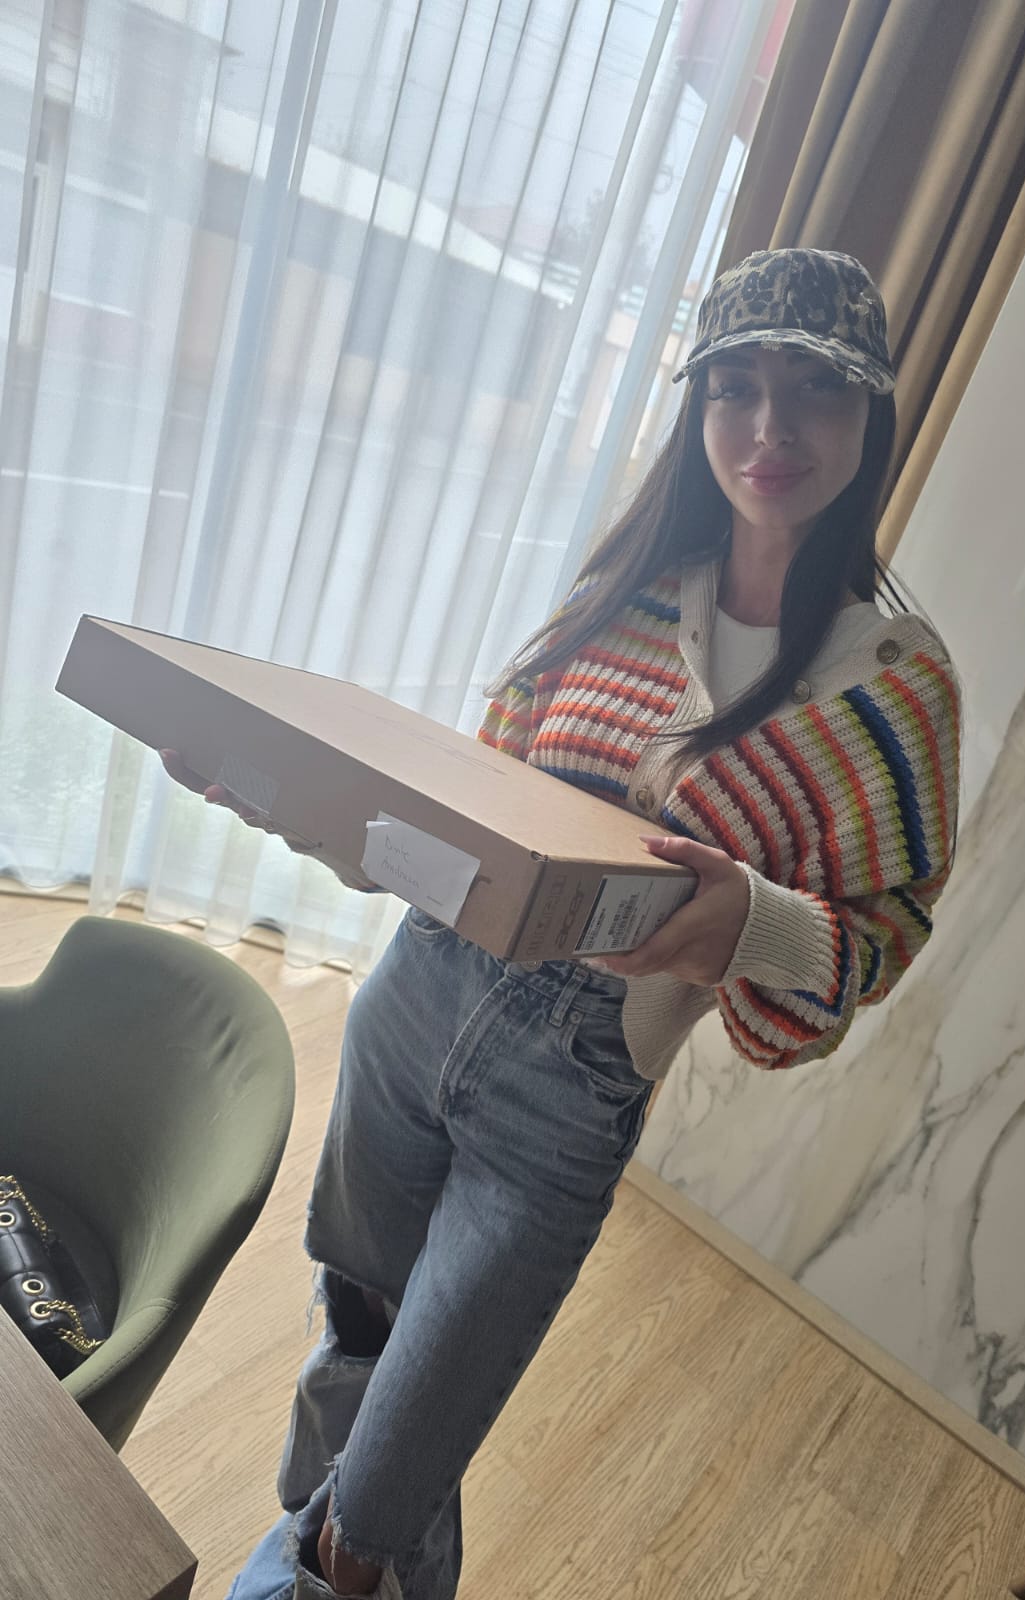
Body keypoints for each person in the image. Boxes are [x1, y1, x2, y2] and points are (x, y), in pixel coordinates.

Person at [162, 247, 962, 1600]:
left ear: (870, 414)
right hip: (414, 1002)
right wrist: (297, 806)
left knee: (378, 1507)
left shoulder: (896, 688)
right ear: (700, 408)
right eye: (736, 388)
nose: (768, 427)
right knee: (355, 1336)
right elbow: (462, 830)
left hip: (570, 1094)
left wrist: (747, 924)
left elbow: (879, 939)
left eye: (815, 390)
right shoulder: (624, 592)